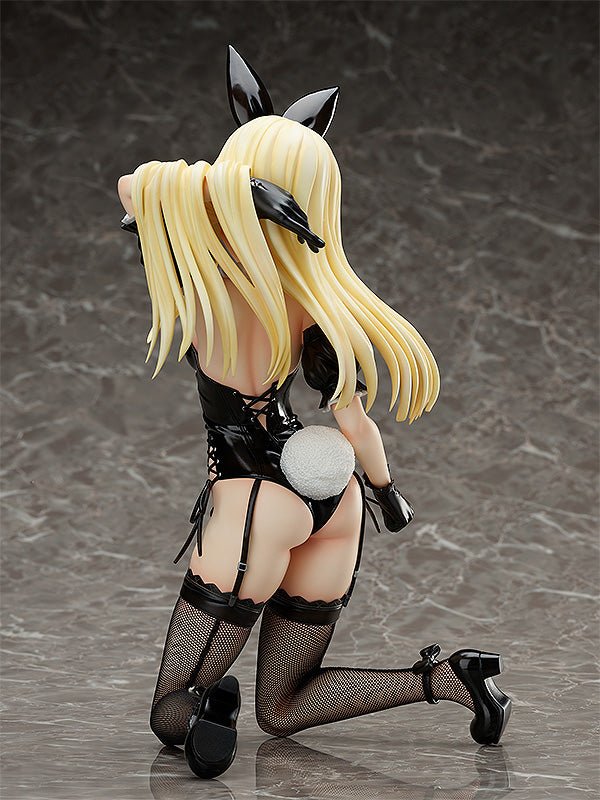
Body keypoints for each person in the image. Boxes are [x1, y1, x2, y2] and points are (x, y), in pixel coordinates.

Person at [117, 46, 512, 779]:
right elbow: (353, 423)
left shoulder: (214, 283)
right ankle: (452, 680)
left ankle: (209, 709)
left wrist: (237, 191)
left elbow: (135, 189)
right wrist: (386, 495)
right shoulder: (316, 302)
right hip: (335, 497)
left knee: (169, 712)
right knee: (285, 706)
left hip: (253, 502)